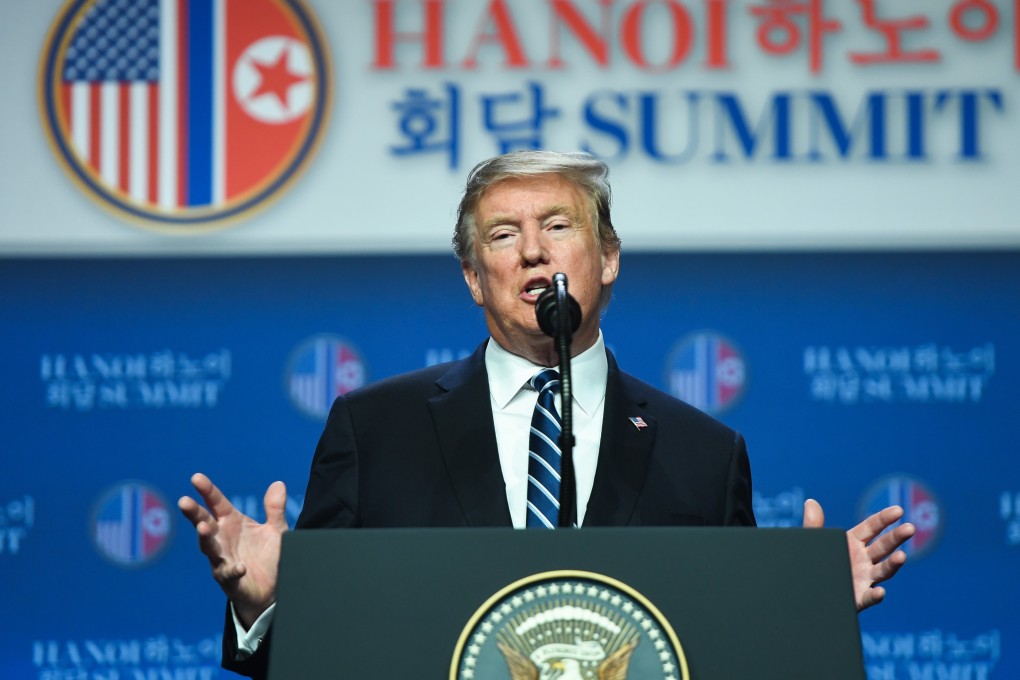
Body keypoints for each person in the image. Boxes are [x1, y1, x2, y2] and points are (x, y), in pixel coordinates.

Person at [178, 150, 915, 679]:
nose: (533, 252)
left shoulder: (704, 452)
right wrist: (271, 606)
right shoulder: (375, 431)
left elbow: (712, 650)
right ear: (474, 277)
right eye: (503, 236)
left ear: (610, 257)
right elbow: (323, 656)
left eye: (558, 226)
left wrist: (801, 615)